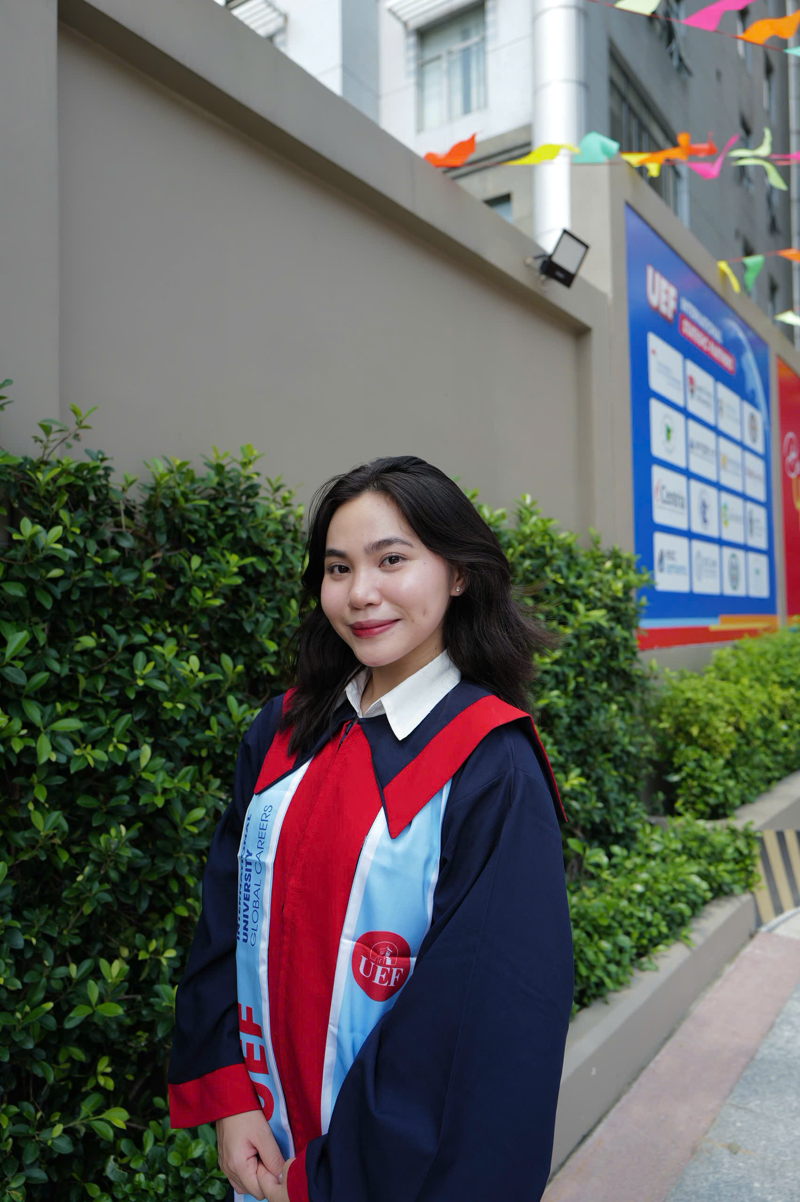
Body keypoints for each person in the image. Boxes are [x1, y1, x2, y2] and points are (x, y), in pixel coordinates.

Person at [168, 455, 573, 1202]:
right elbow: (225, 918)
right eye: (338, 568)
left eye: (392, 560)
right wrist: (230, 1096)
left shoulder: (490, 765)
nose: (360, 594)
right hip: (265, 1142)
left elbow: (478, 1023)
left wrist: (332, 1176)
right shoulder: (283, 731)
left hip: (385, 1177)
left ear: (458, 573)